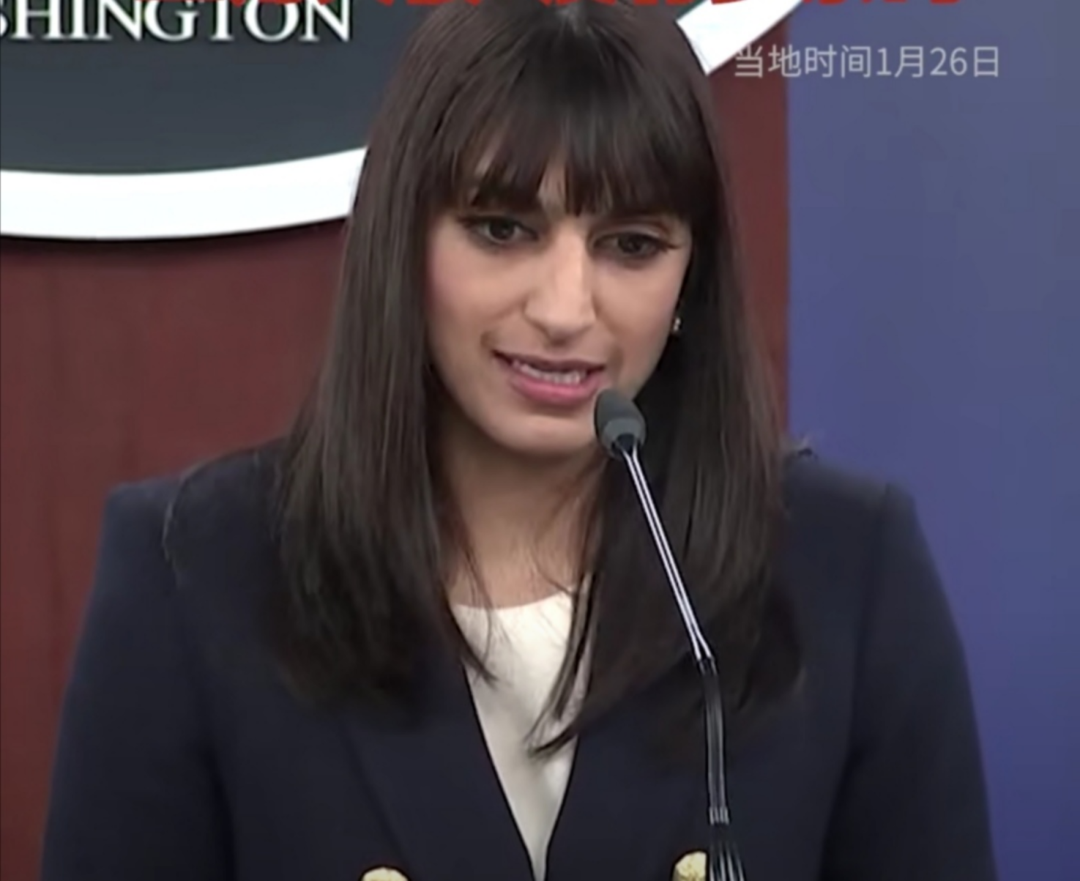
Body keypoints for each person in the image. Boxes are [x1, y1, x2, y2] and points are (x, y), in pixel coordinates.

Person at [39, 1, 998, 880]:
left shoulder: (843, 567)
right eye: (502, 230)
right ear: (404, 244)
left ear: (689, 281)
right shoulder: (196, 569)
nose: (565, 309)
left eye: (631, 245)